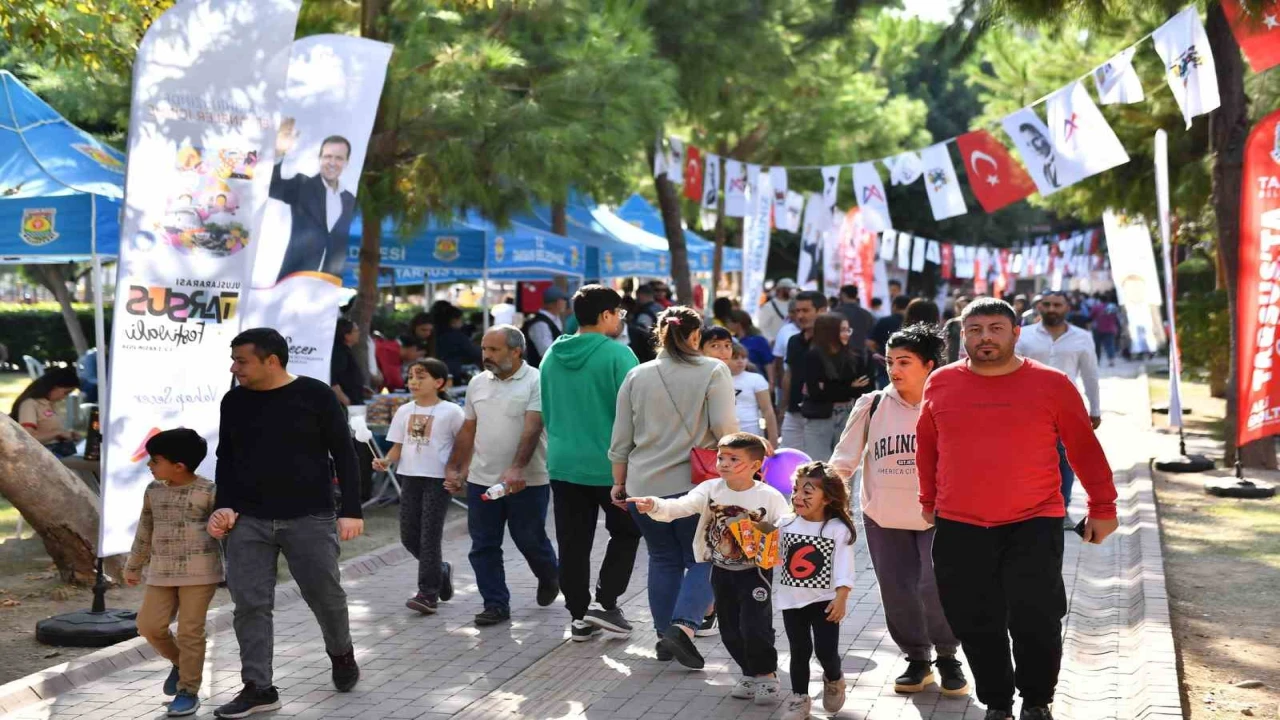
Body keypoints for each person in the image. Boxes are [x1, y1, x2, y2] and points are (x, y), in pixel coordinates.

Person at [917, 298, 1119, 720]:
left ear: (1015, 333)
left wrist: (1103, 505)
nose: (985, 337)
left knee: (1036, 617)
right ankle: (997, 702)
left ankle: (1037, 700)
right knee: (974, 619)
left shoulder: (1051, 383)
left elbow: (1083, 447)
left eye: (995, 328)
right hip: (959, 523)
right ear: (963, 335)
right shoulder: (941, 383)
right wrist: (929, 501)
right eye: (975, 329)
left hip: (1034, 519)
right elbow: (928, 447)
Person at [207, 328, 363, 718]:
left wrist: (352, 510)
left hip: (309, 516)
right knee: (250, 605)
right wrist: (224, 507)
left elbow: (345, 453)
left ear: (271, 360)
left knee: (325, 596)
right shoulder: (234, 401)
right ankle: (259, 687)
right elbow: (226, 458)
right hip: (248, 520)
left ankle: (341, 653)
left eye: (241, 360)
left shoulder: (315, 395)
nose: (234, 367)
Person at [830, 324, 969, 699]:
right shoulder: (872, 404)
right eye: (891, 361)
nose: (895, 368)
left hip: (938, 518)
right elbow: (843, 462)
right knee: (897, 591)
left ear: (928, 364)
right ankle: (917, 659)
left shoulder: (950, 402)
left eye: (904, 361)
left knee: (934, 585)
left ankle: (947, 656)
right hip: (883, 518)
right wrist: (824, 501)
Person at [609, 306, 737, 668]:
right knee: (705, 558)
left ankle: (665, 636)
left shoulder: (637, 374)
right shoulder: (714, 370)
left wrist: (619, 482)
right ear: (696, 336)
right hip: (696, 487)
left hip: (642, 484)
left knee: (662, 559)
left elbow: (621, 438)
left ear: (660, 335)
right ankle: (683, 629)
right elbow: (726, 429)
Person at [628, 433, 790, 702]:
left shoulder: (769, 496)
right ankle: (749, 673)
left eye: (733, 459)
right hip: (720, 570)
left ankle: (766, 675)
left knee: (755, 626)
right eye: (721, 457)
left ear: (754, 465)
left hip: (755, 573)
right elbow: (680, 506)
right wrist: (654, 504)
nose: (724, 463)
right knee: (728, 629)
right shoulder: (710, 489)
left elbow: (785, 527)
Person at [538, 286, 643, 641]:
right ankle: (606, 603)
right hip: (611, 464)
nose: (620, 320)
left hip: (563, 462)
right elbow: (635, 413)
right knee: (628, 531)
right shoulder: (618, 354)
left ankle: (579, 617)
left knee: (572, 541)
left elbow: (546, 409)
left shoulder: (552, 353)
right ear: (605, 316)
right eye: (618, 314)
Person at [446, 325, 559, 627]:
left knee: (529, 539)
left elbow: (533, 426)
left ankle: (550, 575)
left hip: (528, 480)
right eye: (484, 349)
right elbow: (469, 428)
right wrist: (456, 468)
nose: (486, 356)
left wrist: (517, 468)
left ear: (516, 351)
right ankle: (495, 604)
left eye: (493, 350)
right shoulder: (477, 383)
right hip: (482, 480)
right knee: (483, 545)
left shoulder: (538, 380)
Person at [124, 429, 222, 718]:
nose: (149, 465)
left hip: (201, 573)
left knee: (191, 630)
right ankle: (181, 664)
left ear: (178, 465)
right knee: (149, 626)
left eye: (155, 460)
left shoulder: (209, 491)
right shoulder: (153, 491)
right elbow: (145, 528)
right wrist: (134, 565)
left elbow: (225, 532)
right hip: (161, 571)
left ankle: (188, 691)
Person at [373, 359, 463, 615]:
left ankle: (427, 593)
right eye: (410, 376)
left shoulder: (452, 412)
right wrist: (386, 460)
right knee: (409, 536)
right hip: (409, 477)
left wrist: (457, 473)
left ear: (439, 382)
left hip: (437, 480)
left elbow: (464, 445)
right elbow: (398, 446)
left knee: (429, 536)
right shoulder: (404, 410)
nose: (413, 381)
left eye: (420, 377)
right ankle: (441, 570)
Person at [775, 462, 858, 720]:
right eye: (795, 490)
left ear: (827, 498)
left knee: (825, 652)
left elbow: (845, 567)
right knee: (799, 651)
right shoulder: (785, 523)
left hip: (825, 602)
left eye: (807, 493)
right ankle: (800, 699)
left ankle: (834, 679)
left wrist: (841, 598)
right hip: (792, 601)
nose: (798, 497)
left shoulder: (837, 530)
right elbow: (773, 555)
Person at [1015, 290, 1102, 530]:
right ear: (1039, 307)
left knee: (1065, 459)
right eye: (1047, 304)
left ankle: (1061, 510)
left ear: (1067, 307)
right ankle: (1027, 508)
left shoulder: (1082, 337)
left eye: (1057, 304)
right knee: (1027, 458)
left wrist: (1094, 409)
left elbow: (1091, 375)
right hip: (1027, 410)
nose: (1052, 309)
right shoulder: (1023, 336)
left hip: (1067, 409)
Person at [269, 120, 356, 280]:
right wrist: (278, 154)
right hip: (293, 280)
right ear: (320, 158)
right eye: (327, 156)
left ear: (346, 162)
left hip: (329, 284)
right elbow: (272, 187)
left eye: (338, 158)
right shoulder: (303, 185)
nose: (332, 163)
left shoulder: (350, 200)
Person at [801, 313, 872, 461]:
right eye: (842, 330)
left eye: (848, 330)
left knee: (845, 463)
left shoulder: (853, 356)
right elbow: (816, 393)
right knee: (820, 464)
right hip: (820, 416)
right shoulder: (814, 356)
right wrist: (849, 387)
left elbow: (863, 387)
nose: (847, 334)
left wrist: (832, 387)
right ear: (829, 332)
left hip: (847, 413)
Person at [780, 291, 824, 449]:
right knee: (787, 456)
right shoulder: (793, 341)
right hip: (794, 411)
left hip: (822, 413)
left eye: (805, 310)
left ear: (821, 311)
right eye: (797, 311)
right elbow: (789, 374)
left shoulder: (831, 342)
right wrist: (783, 406)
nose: (800, 316)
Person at [11, 367, 80, 458]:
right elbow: (27, 438)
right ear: (54, 387)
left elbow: (48, 430)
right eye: (66, 392)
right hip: (42, 456)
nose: (65, 397)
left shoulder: (51, 404)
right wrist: (57, 432)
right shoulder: (30, 404)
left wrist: (66, 434)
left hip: (58, 451)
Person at [729, 342, 779, 447]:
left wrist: (773, 439)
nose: (740, 361)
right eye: (735, 358)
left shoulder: (756, 379)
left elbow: (768, 410)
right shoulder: (716, 379)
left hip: (751, 433)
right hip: (725, 434)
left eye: (743, 357)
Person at [433, 303, 483, 382]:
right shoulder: (456, 336)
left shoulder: (434, 332)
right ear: (454, 320)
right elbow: (473, 352)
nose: (462, 323)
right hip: (453, 372)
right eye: (461, 320)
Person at [870, 294, 911, 388]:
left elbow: (871, 343)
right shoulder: (914, 324)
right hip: (907, 370)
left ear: (894, 306)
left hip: (886, 369)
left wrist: (879, 354)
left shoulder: (884, 321)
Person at [726, 310, 774, 386]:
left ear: (738, 324)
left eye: (729, 322)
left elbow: (768, 363)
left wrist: (771, 382)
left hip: (757, 381)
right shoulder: (732, 340)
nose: (727, 325)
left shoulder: (758, 340)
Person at [523, 287, 568, 368]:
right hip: (541, 372)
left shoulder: (555, 319)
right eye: (564, 299)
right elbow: (546, 352)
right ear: (557, 302)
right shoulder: (540, 324)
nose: (565, 303)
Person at [330, 318, 365, 407]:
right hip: (346, 407)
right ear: (347, 335)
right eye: (356, 331)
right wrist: (347, 403)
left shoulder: (346, 351)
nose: (359, 333)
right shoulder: (339, 353)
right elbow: (334, 382)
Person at [836, 285, 876, 354]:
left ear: (843, 295)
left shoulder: (835, 313)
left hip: (841, 352)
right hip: (862, 353)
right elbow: (872, 335)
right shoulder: (867, 314)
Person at [757, 279, 796, 344]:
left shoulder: (794, 304)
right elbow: (762, 326)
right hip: (775, 343)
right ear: (781, 290)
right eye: (788, 289)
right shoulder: (768, 307)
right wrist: (770, 340)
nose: (791, 291)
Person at [1090, 298, 1120, 366]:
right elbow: (1116, 319)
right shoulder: (1113, 307)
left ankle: (1097, 361)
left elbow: (1091, 316)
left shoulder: (1096, 307)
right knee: (1110, 345)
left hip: (1098, 329)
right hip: (1110, 329)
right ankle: (1111, 361)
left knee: (1097, 346)